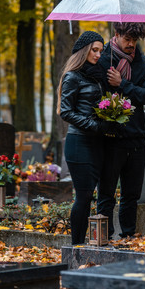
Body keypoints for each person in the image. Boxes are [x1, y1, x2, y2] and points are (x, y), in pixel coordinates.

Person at [96, 22, 145, 239]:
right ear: (117, 34)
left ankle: (128, 238)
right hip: (110, 138)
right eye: (127, 39)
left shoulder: (144, 63)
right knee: (106, 194)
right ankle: (103, 238)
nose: (131, 44)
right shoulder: (101, 60)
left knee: (131, 195)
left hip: (136, 138)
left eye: (135, 40)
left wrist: (123, 84)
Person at [58, 31, 115, 245]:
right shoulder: (73, 76)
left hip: (99, 143)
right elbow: (65, 111)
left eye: (101, 50)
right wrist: (94, 125)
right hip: (79, 142)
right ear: (84, 50)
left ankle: (95, 242)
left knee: (98, 195)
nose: (99, 54)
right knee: (84, 196)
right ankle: (76, 246)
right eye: (94, 50)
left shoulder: (99, 77)